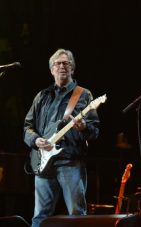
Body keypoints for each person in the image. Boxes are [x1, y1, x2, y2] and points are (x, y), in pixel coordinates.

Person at [24, 48, 100, 227]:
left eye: (66, 63)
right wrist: (36, 140)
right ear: (51, 70)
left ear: (72, 68)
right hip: (43, 164)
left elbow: (95, 131)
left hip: (70, 162)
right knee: (39, 217)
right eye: (57, 64)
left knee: (77, 215)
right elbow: (27, 127)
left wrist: (84, 128)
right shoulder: (41, 96)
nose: (61, 67)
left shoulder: (83, 95)